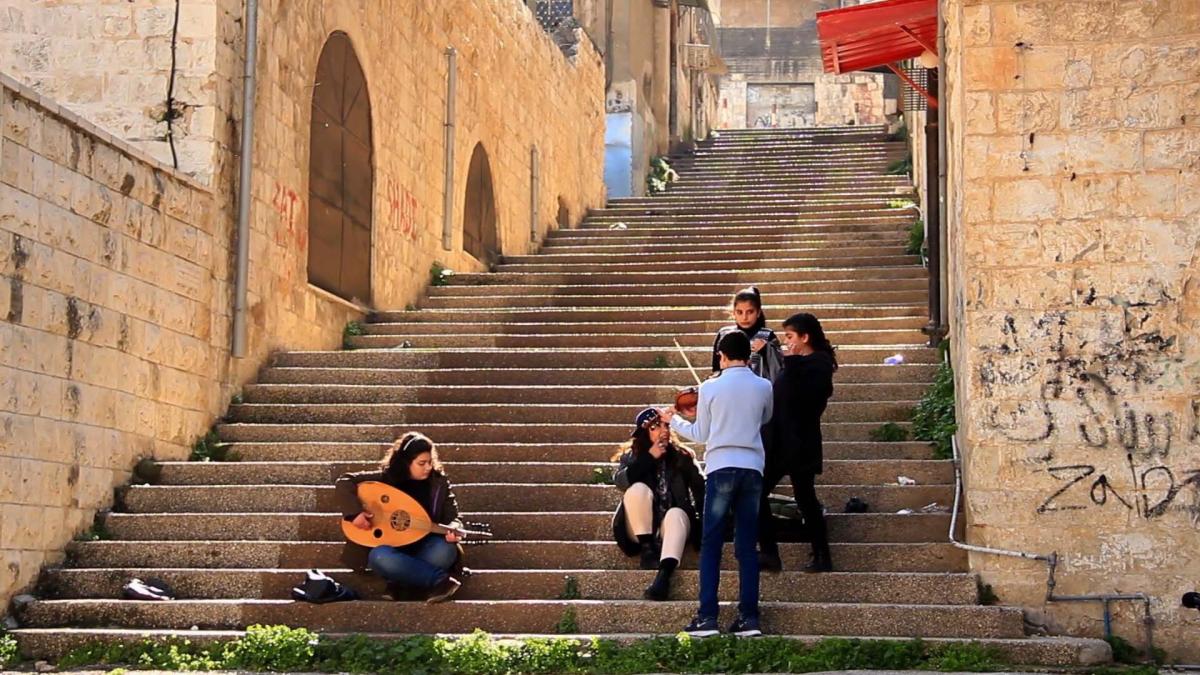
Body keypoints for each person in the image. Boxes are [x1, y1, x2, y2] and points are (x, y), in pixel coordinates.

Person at [662, 330, 774, 638]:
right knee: (747, 547)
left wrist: (673, 420)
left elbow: (701, 433)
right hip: (752, 468)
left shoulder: (710, 387)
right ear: (747, 355)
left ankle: (707, 617)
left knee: (711, 543)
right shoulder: (764, 386)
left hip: (721, 467)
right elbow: (765, 418)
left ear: (721, 356)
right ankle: (749, 618)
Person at [335, 432, 465, 603]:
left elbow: (453, 517)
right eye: (421, 463)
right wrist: (355, 513)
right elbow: (344, 482)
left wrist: (453, 527)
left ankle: (401, 581)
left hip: (427, 548)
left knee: (446, 549)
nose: (428, 467)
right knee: (379, 556)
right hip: (393, 552)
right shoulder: (386, 480)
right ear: (405, 463)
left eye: (430, 462)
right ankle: (440, 581)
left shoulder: (438, 483)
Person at [758, 313, 838, 573]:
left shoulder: (818, 364)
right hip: (779, 441)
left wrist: (790, 363)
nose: (786, 342)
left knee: (805, 498)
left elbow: (807, 401)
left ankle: (821, 555)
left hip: (799, 442)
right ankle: (770, 551)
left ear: (805, 337)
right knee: (758, 492)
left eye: (790, 337)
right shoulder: (796, 363)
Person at [611, 408, 706, 601]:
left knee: (677, 513)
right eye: (654, 427)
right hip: (638, 529)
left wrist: (702, 526)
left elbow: (701, 489)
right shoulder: (632, 456)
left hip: (670, 527)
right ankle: (648, 550)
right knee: (637, 489)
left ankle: (664, 576)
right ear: (644, 433)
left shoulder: (682, 456)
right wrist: (648, 458)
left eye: (665, 425)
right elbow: (621, 482)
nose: (662, 430)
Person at [711, 286, 784, 383]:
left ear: (758, 312)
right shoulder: (724, 334)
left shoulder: (767, 335)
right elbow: (716, 368)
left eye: (750, 312)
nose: (744, 317)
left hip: (759, 389)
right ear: (733, 313)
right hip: (729, 386)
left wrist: (766, 350)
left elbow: (779, 367)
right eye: (740, 312)